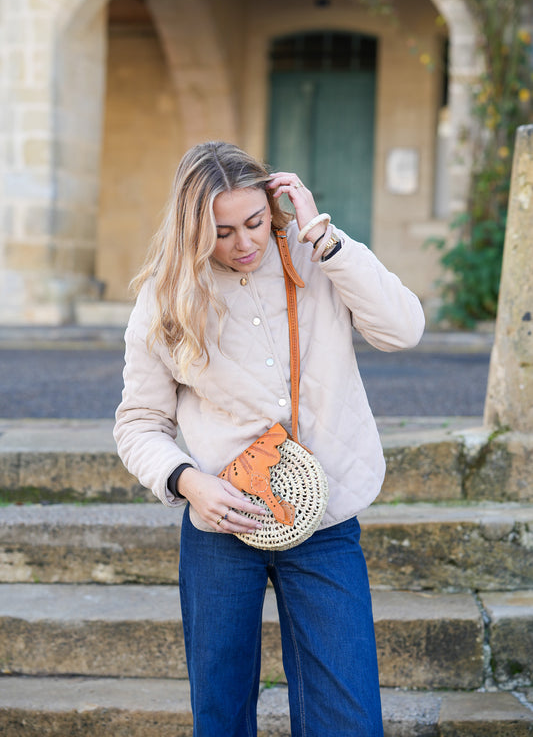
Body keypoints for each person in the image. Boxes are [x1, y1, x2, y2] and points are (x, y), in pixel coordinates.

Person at [114, 140, 425, 737]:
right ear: (193, 229)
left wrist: (323, 236)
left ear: (273, 205)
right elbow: (138, 423)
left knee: (350, 720)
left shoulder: (319, 256)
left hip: (326, 518)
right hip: (222, 525)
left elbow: (404, 329)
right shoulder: (164, 297)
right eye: (222, 232)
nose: (244, 243)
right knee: (222, 716)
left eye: (255, 222)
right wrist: (188, 482)